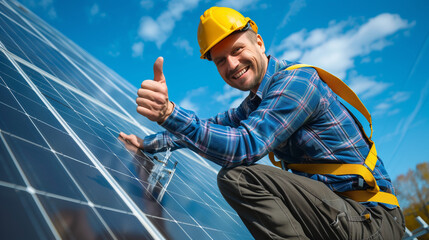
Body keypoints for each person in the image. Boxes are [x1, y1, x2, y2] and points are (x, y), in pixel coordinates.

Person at [120, 6, 405, 239]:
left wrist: (170, 114)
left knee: (238, 177)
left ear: (259, 42)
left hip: (372, 220)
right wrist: (148, 143)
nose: (231, 65)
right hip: (342, 214)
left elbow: (244, 146)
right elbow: (212, 127)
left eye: (237, 50)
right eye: (220, 60)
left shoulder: (296, 84)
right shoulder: (257, 103)